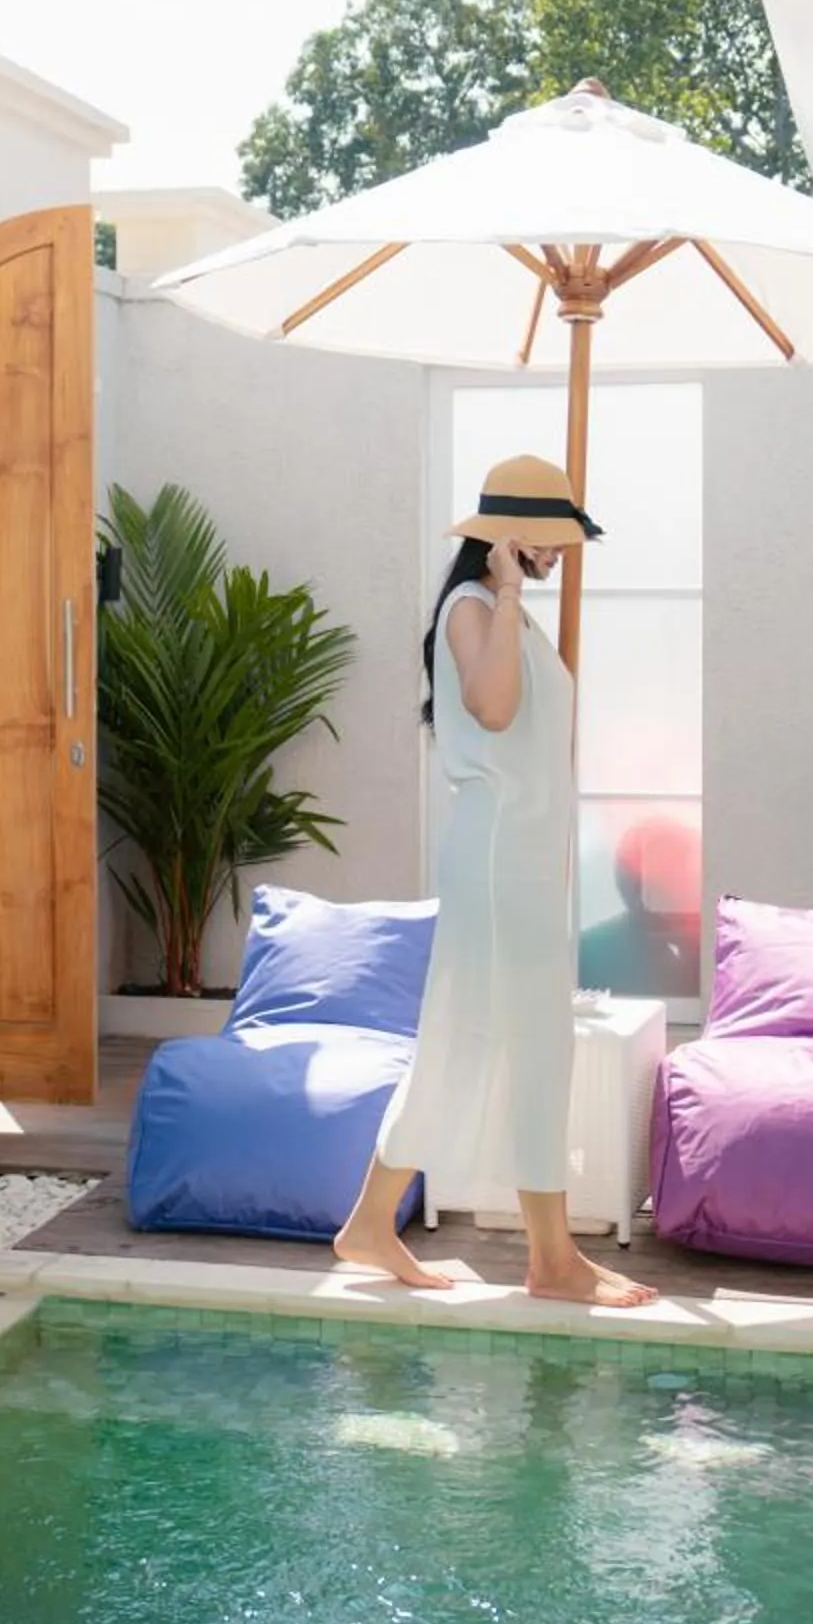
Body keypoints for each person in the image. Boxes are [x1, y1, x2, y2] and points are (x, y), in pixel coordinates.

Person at [332, 455, 661, 1307]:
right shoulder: (477, 608)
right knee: (526, 1042)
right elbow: (495, 710)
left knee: (480, 1039)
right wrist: (512, 594)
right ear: (507, 539)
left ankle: (375, 1225)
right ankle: (550, 1259)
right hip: (495, 860)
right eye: (549, 540)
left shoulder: (497, 615)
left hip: (516, 858)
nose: (561, 554)